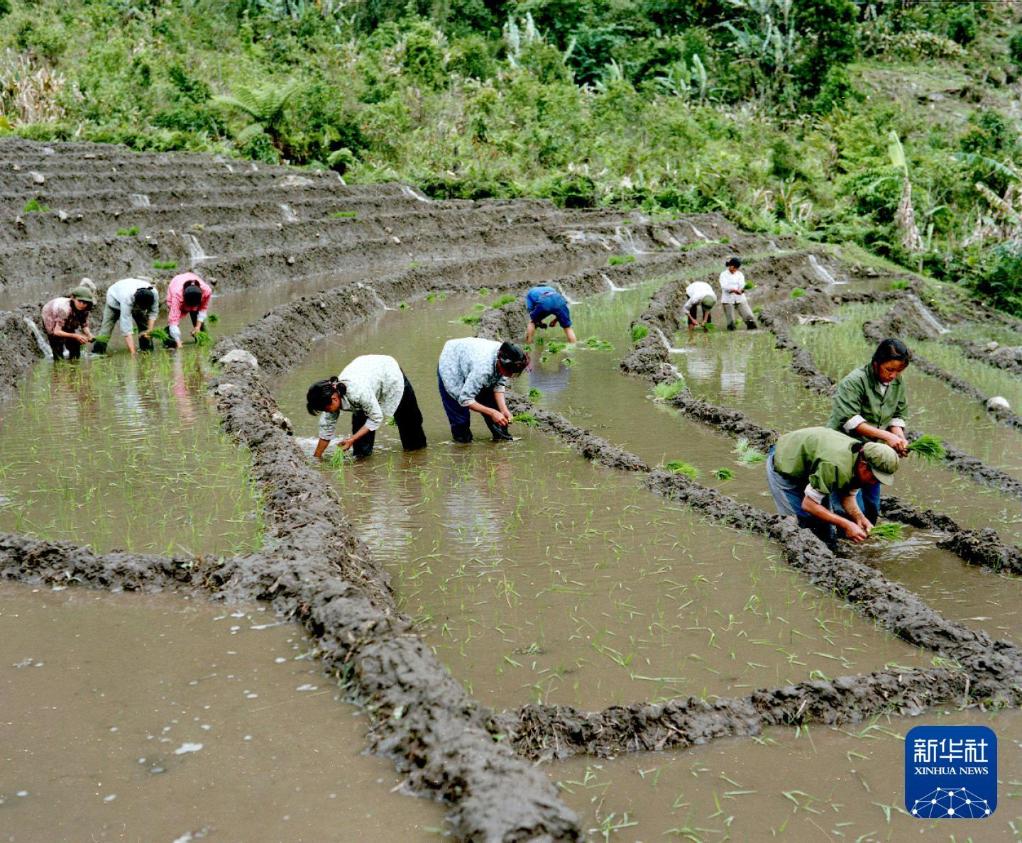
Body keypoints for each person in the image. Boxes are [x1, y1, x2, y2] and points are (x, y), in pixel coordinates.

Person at [766, 426, 899, 545]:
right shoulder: (835, 466)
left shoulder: (857, 463)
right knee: (801, 527)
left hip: (813, 464)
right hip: (786, 462)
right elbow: (809, 505)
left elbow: (847, 496)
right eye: (875, 477)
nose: (874, 483)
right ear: (864, 465)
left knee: (824, 528)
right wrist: (846, 524)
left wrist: (860, 518)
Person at [826, 338, 911, 524]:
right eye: (889, 369)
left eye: (898, 371)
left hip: (873, 453)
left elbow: (897, 414)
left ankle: (867, 539)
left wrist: (899, 437)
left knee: (872, 507)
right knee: (849, 507)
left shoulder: (896, 382)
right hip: (847, 452)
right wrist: (887, 436)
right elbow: (850, 420)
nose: (893, 375)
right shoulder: (855, 381)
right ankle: (845, 543)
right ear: (876, 363)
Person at [306, 355, 426, 460]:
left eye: (326, 409)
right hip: (366, 373)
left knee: (410, 426)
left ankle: (418, 459)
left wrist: (351, 440)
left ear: (334, 398)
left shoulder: (358, 393)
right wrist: (317, 457)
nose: (326, 412)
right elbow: (326, 429)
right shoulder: (329, 397)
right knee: (360, 449)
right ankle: (362, 462)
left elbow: (376, 417)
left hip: (388, 373)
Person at [438, 338, 528, 443]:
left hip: (470, 358)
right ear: (499, 362)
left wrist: (503, 410)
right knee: (461, 422)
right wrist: (492, 412)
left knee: (497, 412)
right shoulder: (482, 370)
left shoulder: (508, 357)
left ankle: (502, 439)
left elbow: (499, 384)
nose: (510, 375)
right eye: (509, 372)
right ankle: (462, 445)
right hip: (451, 363)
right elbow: (465, 399)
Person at [92, 278, 159, 355]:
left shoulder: (154, 293)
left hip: (132, 295)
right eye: (140, 307)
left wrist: (149, 331)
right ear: (136, 304)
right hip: (114, 299)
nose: (142, 309)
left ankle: (146, 350)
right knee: (106, 329)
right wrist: (133, 353)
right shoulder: (127, 298)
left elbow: (153, 313)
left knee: (144, 326)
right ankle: (97, 353)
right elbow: (126, 328)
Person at [41, 286, 95, 360]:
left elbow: (84, 324)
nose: (82, 304)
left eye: (85, 302)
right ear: (73, 298)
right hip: (50, 314)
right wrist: (76, 336)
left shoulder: (85, 309)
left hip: (67, 317)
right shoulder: (64, 310)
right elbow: (57, 332)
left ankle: (74, 364)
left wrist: (89, 334)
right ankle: (58, 366)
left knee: (75, 345)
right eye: (79, 301)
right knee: (57, 346)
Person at [166, 271, 213, 348]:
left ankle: (201, 340)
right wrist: (178, 342)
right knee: (172, 322)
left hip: (189, 280)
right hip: (176, 284)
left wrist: (197, 327)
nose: (191, 309)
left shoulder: (207, 291)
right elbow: (173, 320)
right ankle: (170, 341)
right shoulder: (177, 296)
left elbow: (203, 309)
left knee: (201, 332)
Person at [719, 257, 758, 331]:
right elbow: (724, 286)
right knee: (731, 322)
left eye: (736, 268)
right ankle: (731, 334)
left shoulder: (739, 274)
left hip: (740, 298)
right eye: (733, 268)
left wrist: (742, 290)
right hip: (728, 299)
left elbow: (742, 284)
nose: (734, 270)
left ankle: (752, 330)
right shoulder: (723, 275)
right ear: (730, 265)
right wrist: (733, 290)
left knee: (749, 317)